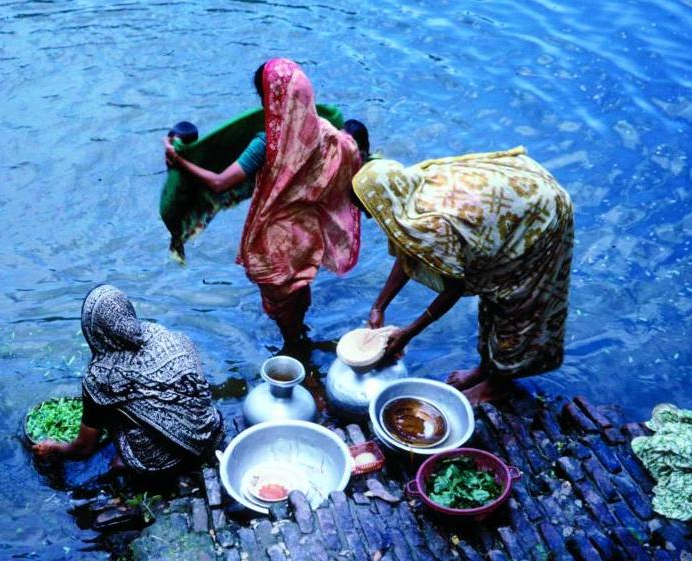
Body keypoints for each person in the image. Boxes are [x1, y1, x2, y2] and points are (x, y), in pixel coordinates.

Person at [164, 59, 368, 347]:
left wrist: (181, 162)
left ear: (268, 97)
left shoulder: (266, 143)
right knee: (299, 292)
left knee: (282, 308)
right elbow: (350, 161)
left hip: (276, 242)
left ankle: (296, 351)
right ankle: (302, 337)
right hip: (308, 236)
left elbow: (220, 183)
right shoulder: (326, 134)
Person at [352, 146, 574, 404]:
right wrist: (379, 306)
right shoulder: (406, 187)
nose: (369, 217)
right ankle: (485, 369)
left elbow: (455, 287)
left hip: (540, 214)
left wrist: (409, 332)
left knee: (515, 300)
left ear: (385, 200)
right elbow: (409, 253)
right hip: (516, 196)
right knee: (491, 293)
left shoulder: (436, 222)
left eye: (369, 209)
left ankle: (496, 385)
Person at [32, 284, 222, 475]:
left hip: (176, 459)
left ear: (92, 331)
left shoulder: (100, 376)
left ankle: (135, 467)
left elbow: (83, 448)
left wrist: (55, 447)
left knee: (108, 417)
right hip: (214, 431)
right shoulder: (163, 333)